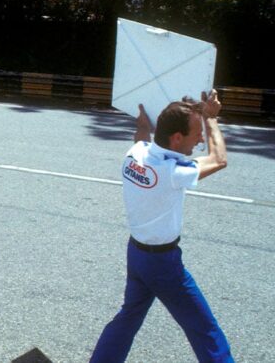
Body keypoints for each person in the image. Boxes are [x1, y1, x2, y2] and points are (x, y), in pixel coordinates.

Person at [90, 90, 232, 362]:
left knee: (128, 318)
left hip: (137, 254)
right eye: (196, 133)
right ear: (176, 138)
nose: (200, 138)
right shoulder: (173, 173)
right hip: (163, 264)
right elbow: (219, 160)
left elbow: (142, 136)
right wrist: (212, 119)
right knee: (205, 329)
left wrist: (143, 121)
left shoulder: (135, 153)